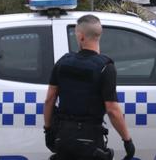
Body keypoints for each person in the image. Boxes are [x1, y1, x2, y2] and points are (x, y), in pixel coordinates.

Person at [44, 14, 135, 160]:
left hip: (63, 138)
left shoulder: (63, 63)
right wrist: (127, 141)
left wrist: (48, 131)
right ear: (99, 34)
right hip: (90, 142)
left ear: (80, 37)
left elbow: (49, 99)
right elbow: (112, 110)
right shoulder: (106, 67)